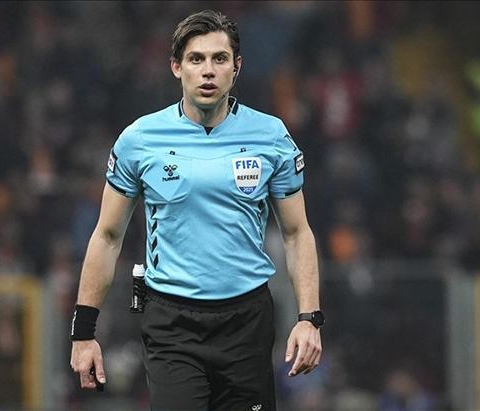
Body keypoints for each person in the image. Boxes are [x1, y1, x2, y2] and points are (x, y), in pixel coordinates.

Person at [70, 10, 323, 410]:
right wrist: (84, 331)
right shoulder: (140, 139)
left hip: (246, 322)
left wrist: (309, 319)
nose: (208, 70)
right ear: (176, 67)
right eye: (196, 59)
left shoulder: (271, 136)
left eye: (219, 59)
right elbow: (107, 235)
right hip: (172, 324)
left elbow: (296, 233)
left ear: (236, 68)